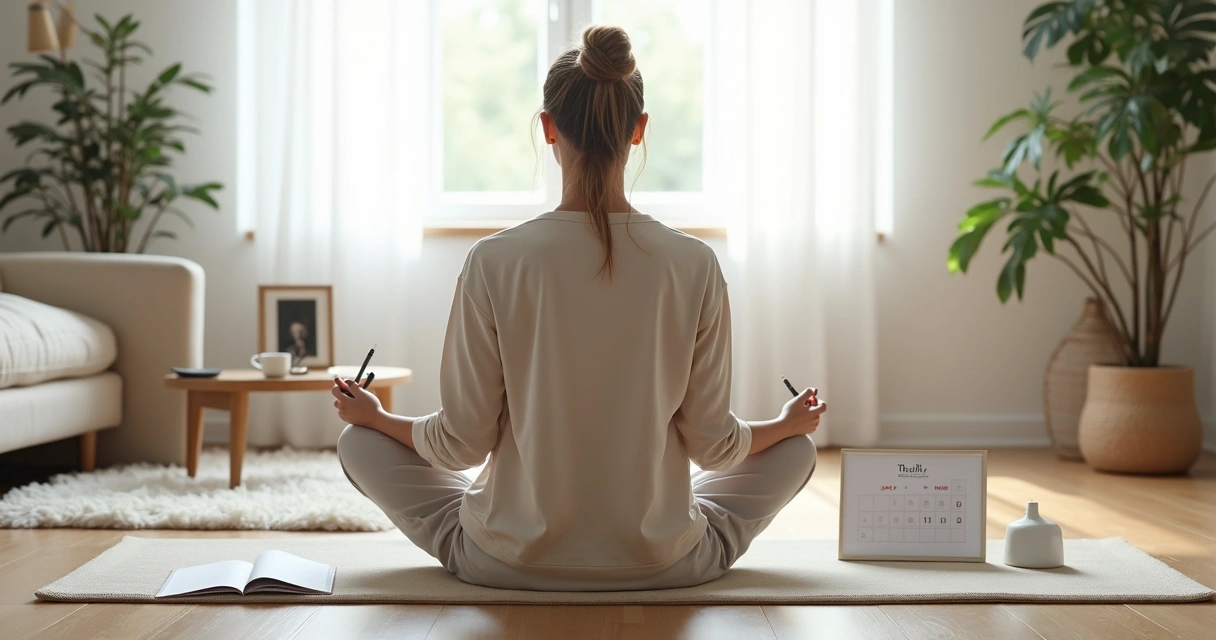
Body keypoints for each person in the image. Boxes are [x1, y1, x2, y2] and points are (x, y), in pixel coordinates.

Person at [331, 25, 826, 591]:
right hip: (667, 564)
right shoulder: (694, 263)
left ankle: (506, 537)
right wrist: (784, 426)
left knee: (357, 444)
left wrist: (377, 419)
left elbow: (460, 444)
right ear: (639, 130)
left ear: (547, 128)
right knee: (797, 452)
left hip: (504, 562)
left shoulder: (493, 260)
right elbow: (714, 448)